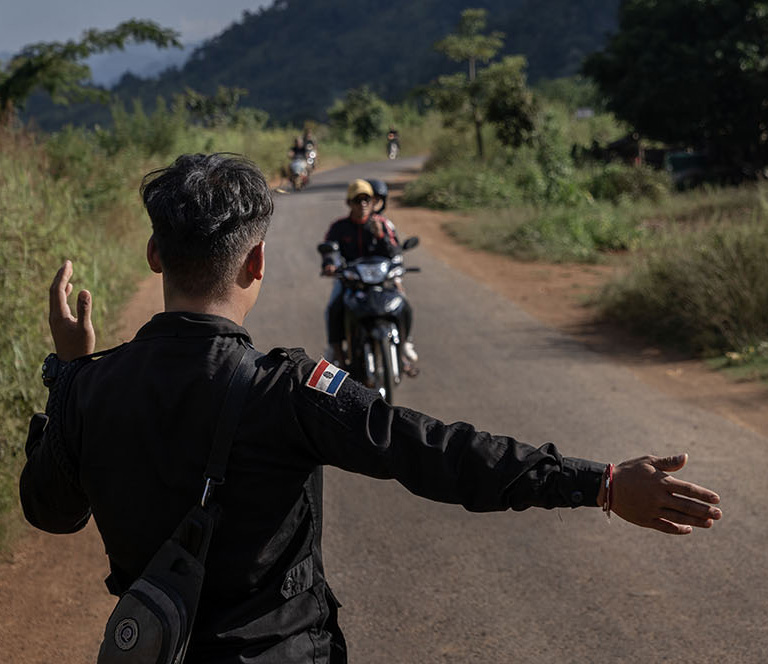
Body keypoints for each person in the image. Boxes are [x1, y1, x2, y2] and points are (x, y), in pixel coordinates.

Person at [20, 153, 722, 664]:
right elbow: (436, 453)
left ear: (155, 254)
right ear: (257, 261)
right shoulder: (290, 389)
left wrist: (70, 373)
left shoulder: (88, 386)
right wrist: (599, 483)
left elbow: (51, 511)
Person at [321, 178, 416, 370]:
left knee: (403, 304)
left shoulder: (383, 224)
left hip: (381, 280)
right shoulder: (339, 227)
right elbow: (330, 250)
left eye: (367, 200)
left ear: (373, 202)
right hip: (351, 280)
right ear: (349, 203)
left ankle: (404, 345)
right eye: (358, 200)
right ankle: (335, 354)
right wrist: (330, 264)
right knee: (333, 308)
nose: (363, 204)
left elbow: (394, 252)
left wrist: (380, 236)